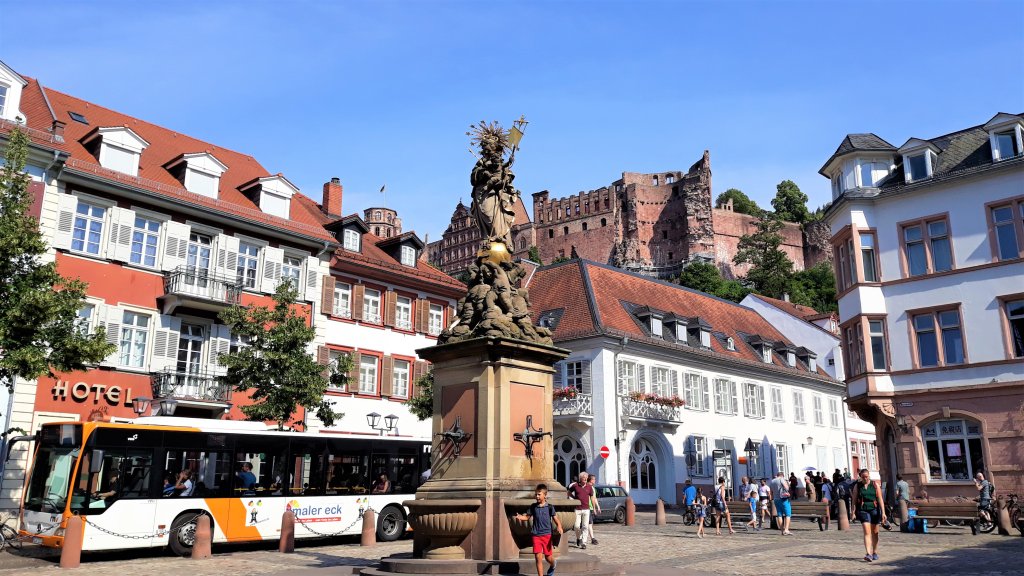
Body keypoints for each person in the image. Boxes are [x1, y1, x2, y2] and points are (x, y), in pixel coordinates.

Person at [513, 484, 563, 576]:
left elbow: (556, 519)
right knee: (538, 557)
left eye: (539, 494)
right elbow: (527, 517)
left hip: (547, 535)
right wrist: (520, 517)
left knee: (548, 558)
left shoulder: (550, 507)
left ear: (545, 495)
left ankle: (553, 564)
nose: (537, 496)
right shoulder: (533, 506)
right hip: (536, 535)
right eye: (536, 494)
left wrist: (559, 526)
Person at [854, 468, 886, 562]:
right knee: (867, 532)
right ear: (860, 477)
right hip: (863, 510)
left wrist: (883, 513)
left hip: (874, 510)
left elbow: (880, 499)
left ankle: (874, 552)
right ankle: (868, 553)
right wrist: (853, 511)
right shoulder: (858, 486)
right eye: (863, 477)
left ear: (869, 476)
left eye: (867, 477)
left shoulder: (875, 484)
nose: (865, 479)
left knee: (875, 533)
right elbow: (854, 499)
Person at [567, 472, 593, 549]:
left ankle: (584, 543)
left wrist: (594, 507)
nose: (585, 479)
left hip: (586, 509)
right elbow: (568, 492)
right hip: (577, 509)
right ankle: (579, 538)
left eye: (586, 477)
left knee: (585, 526)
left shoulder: (589, 487)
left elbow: (592, 497)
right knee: (576, 526)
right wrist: (574, 498)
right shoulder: (575, 486)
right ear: (580, 478)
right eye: (583, 477)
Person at [770, 471, 793, 536]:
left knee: (779, 515)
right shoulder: (781, 479)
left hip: (776, 499)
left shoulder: (772, 481)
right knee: (788, 514)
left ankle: (782, 531)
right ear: (782, 475)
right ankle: (786, 529)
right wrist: (787, 484)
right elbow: (787, 488)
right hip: (783, 499)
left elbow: (771, 491)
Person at [585, 474, 601, 545]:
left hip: (591, 508)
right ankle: (592, 538)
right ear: (591, 480)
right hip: (586, 507)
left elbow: (594, 498)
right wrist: (595, 508)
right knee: (589, 524)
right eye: (594, 479)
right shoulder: (586, 487)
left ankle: (591, 538)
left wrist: (598, 506)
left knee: (589, 523)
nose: (595, 480)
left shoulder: (593, 488)